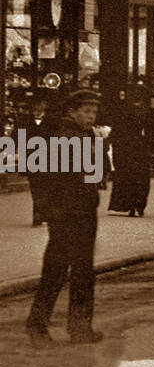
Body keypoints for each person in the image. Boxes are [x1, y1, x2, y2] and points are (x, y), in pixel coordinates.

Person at [27, 88, 105, 346]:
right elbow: (50, 178)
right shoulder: (62, 136)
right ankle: (39, 325)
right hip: (65, 212)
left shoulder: (85, 134)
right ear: (72, 112)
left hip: (83, 210)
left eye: (94, 111)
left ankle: (80, 327)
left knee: (82, 270)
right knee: (57, 269)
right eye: (86, 111)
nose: (91, 116)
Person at [106, 86, 150, 218]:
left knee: (124, 176)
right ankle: (138, 204)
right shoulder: (143, 111)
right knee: (139, 177)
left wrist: (111, 141)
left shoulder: (122, 111)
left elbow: (116, 129)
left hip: (124, 147)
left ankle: (126, 204)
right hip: (138, 147)